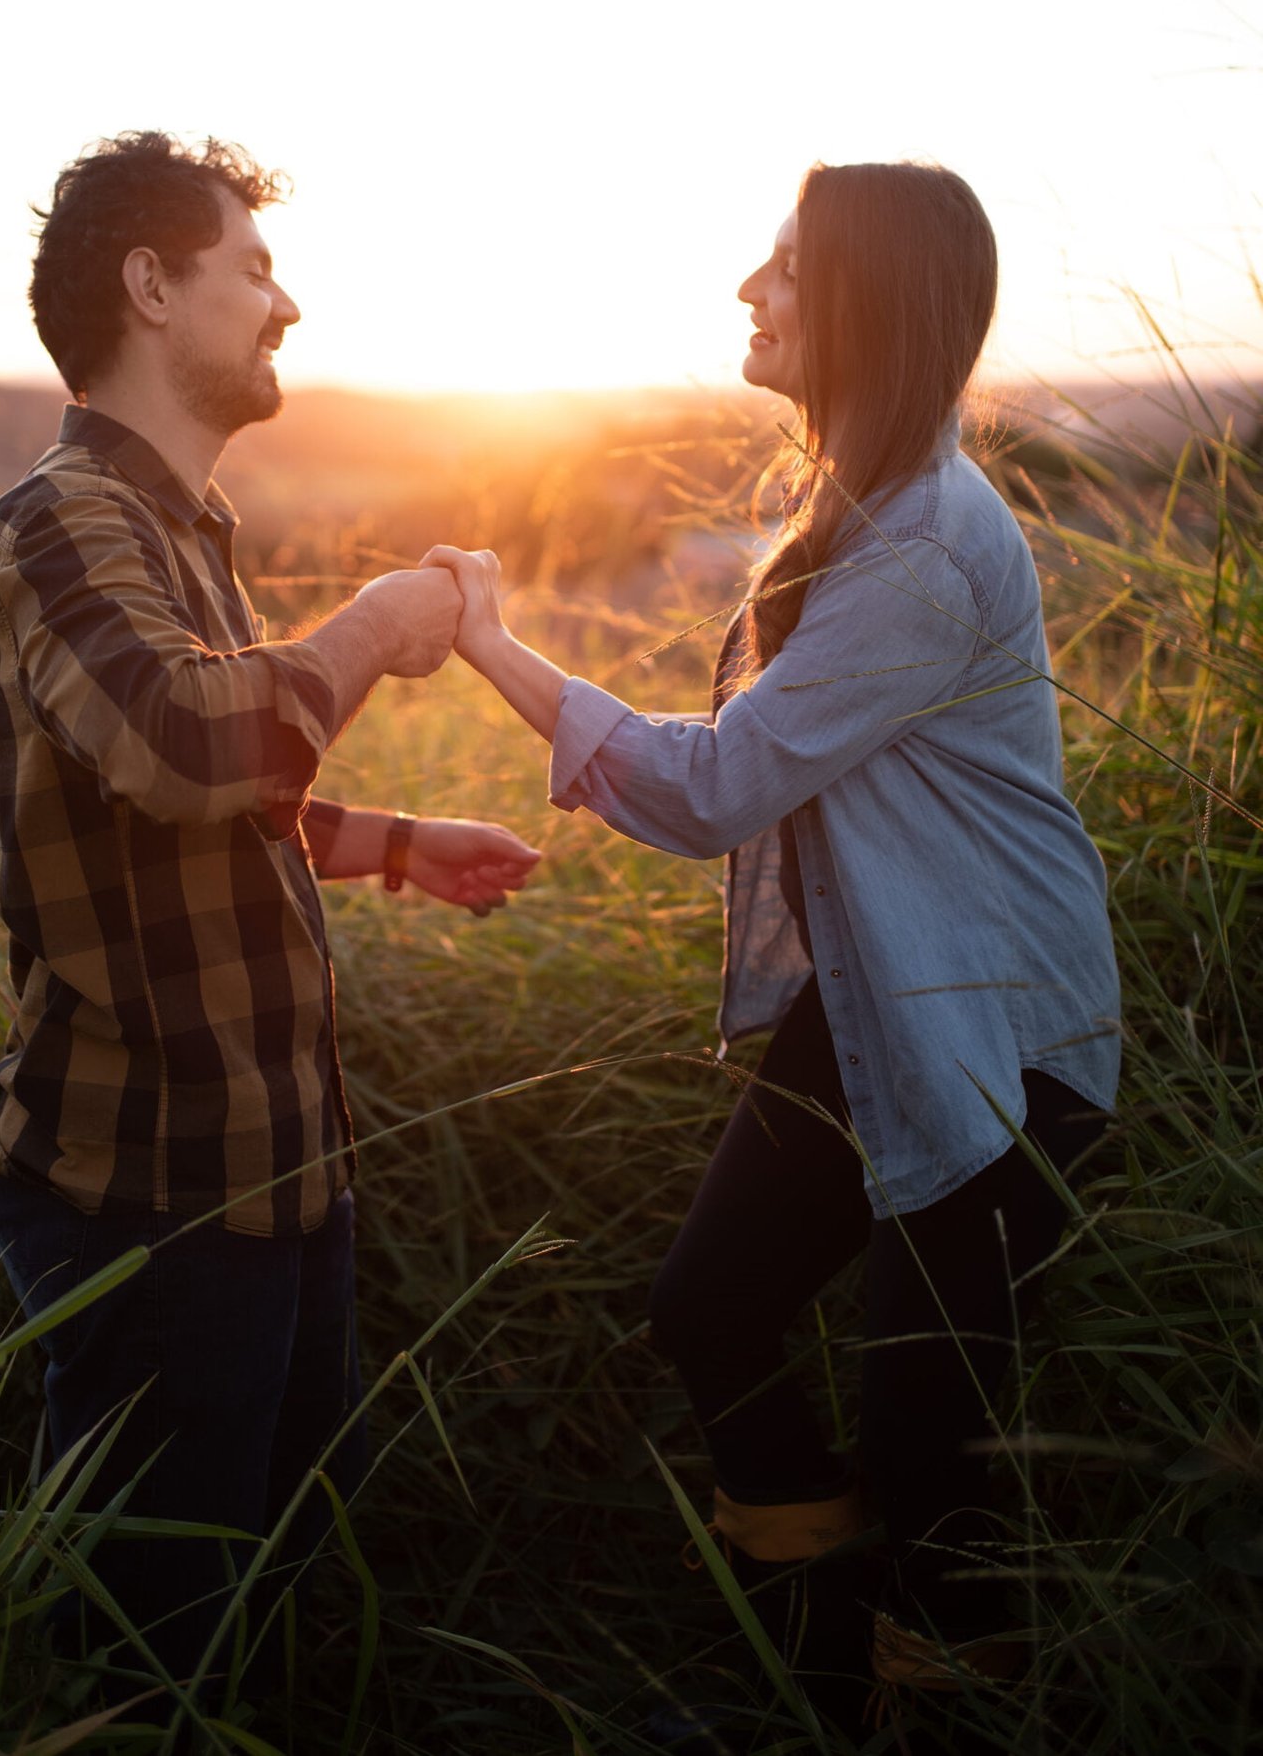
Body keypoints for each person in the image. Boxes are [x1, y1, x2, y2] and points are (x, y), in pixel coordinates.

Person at [423, 160, 1119, 1714]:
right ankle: (805, 1674)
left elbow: (722, 783)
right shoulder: (862, 508)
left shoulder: (929, 546)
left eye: (789, 265)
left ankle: (917, 1705)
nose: (752, 285)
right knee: (712, 1305)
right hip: (888, 1006)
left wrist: (489, 646)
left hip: (998, 1046)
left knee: (929, 1456)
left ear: (869, 300)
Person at [0, 129, 540, 1703]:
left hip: (277, 1169)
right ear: (151, 287)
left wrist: (395, 843)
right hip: (148, 1194)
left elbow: (185, 815)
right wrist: (375, 625)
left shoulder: (178, 532)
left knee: (282, 1601)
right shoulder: (59, 520)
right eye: (254, 267)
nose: (285, 303)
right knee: (158, 1658)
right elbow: (181, 739)